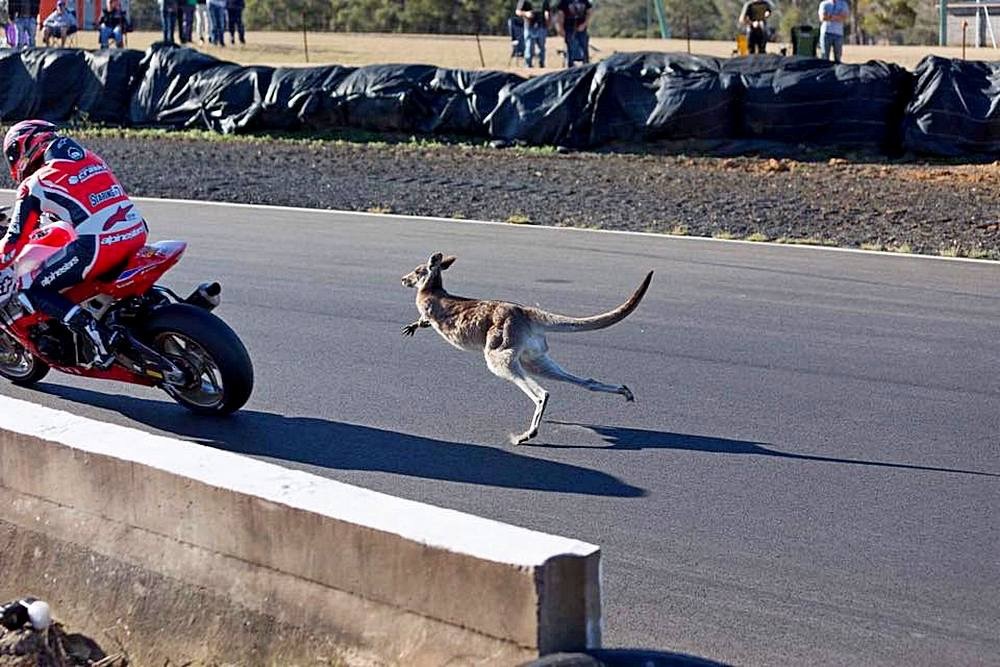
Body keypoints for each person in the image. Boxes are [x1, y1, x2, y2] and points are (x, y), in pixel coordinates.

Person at [0, 120, 148, 367]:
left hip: (99, 245)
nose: (14, 161)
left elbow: (14, 241)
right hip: (137, 229)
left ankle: (96, 335)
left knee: (30, 286)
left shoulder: (34, 184)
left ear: (27, 146)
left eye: (14, 154)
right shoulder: (91, 159)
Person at [555, 0, 590, 67]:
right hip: (568, 27)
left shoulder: (584, 1)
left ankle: (586, 65)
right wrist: (560, 28)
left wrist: (584, 24)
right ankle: (570, 66)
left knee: (584, 47)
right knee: (570, 47)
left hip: (581, 28)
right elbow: (560, 14)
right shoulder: (564, 1)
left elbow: (589, 12)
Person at [516, 0, 550, 68]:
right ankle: (528, 65)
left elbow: (547, 10)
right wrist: (526, 13)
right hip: (529, 26)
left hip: (541, 26)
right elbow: (517, 11)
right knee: (529, 47)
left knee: (542, 47)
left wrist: (547, 17)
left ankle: (542, 65)